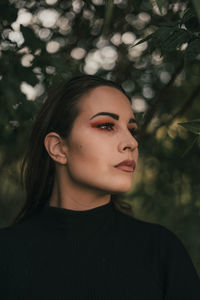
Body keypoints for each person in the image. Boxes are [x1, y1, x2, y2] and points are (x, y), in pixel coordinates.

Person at [0, 75, 200, 299]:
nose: (132, 142)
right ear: (58, 148)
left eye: (131, 129)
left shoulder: (161, 252)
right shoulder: (6, 254)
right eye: (106, 125)